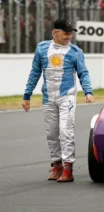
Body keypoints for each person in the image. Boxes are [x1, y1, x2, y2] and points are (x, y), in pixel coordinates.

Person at [22, 19, 94, 182]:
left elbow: (84, 73)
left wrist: (88, 91)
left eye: (71, 33)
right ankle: (56, 166)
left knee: (65, 131)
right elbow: (35, 72)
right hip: (48, 98)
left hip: (66, 97)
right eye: (66, 32)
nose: (69, 36)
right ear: (55, 32)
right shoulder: (41, 48)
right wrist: (27, 96)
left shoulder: (75, 52)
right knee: (52, 133)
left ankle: (68, 168)